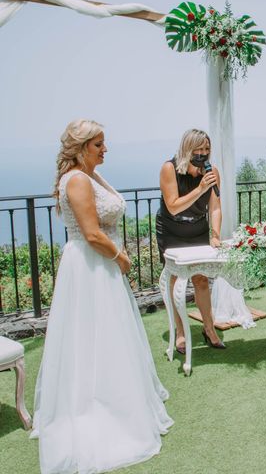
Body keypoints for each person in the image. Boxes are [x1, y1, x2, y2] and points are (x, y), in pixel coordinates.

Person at [32, 120, 173, 473]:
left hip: (101, 266)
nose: (105, 149)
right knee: (92, 338)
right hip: (91, 266)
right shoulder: (78, 180)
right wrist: (121, 257)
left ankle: (116, 400)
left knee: (107, 339)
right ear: (81, 148)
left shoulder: (89, 175)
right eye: (99, 144)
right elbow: (92, 234)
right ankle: (98, 413)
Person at [156, 128, 225, 352]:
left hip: (197, 229)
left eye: (207, 148)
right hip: (172, 229)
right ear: (188, 148)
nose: (204, 153)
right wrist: (200, 189)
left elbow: (215, 208)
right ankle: (181, 333)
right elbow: (173, 206)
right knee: (176, 280)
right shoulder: (170, 169)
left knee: (201, 279)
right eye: (199, 149)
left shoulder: (212, 171)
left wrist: (215, 235)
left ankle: (209, 328)